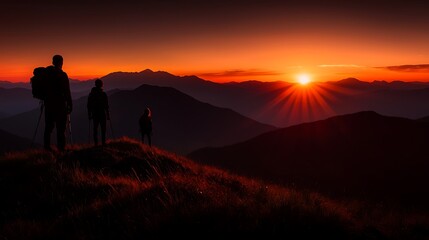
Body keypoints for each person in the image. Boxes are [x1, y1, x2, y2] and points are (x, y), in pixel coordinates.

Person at [43, 54, 73, 151]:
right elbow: (67, 91)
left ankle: (46, 148)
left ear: (53, 62)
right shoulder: (63, 75)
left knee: (48, 128)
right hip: (60, 105)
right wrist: (70, 104)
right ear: (61, 63)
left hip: (48, 105)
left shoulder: (47, 74)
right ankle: (61, 150)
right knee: (61, 129)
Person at [87, 79, 110, 146]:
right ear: (101, 85)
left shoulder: (92, 94)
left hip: (95, 114)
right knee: (103, 129)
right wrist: (108, 114)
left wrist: (89, 114)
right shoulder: (103, 94)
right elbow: (106, 105)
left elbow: (89, 105)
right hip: (102, 113)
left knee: (95, 129)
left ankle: (96, 144)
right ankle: (103, 143)